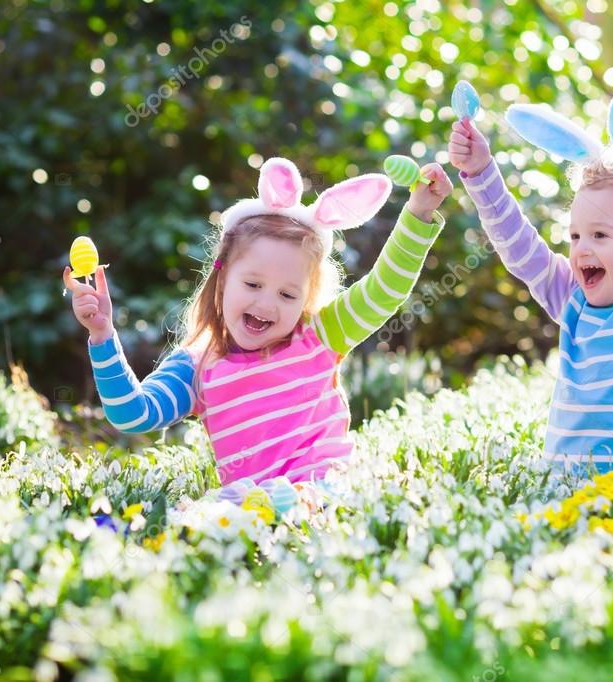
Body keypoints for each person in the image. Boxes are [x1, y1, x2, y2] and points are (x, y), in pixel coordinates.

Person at [63, 156, 451, 493]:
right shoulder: (197, 367)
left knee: (305, 499)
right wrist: (102, 335)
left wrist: (418, 213)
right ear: (222, 277)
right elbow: (133, 414)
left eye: (287, 294)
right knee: (216, 514)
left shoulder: (319, 336)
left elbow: (385, 290)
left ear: (307, 298)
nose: (267, 304)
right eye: (252, 284)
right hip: (256, 505)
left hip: (329, 485)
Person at [449, 91, 613, 481]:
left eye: (600, 235)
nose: (581, 249)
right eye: (574, 236)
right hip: (564, 490)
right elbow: (520, 247)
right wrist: (482, 172)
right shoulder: (574, 299)